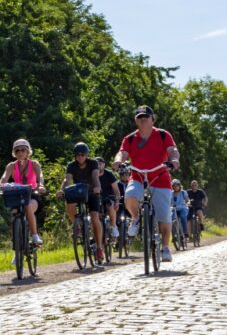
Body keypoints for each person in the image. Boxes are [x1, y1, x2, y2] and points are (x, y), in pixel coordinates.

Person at [112, 106, 181, 262]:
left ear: (152, 119)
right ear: (136, 120)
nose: (143, 119)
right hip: (137, 176)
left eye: (146, 117)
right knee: (129, 195)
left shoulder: (163, 135)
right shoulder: (130, 139)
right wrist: (118, 161)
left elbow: (173, 150)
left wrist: (174, 159)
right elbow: (122, 152)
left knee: (164, 216)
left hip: (160, 178)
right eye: (140, 117)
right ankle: (136, 218)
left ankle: (164, 248)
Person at [0, 138, 47, 245]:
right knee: (13, 216)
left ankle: (35, 235)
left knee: (28, 206)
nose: (20, 152)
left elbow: (40, 176)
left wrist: (41, 185)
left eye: (23, 150)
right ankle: (17, 248)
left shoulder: (34, 164)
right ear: (14, 153)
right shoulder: (11, 166)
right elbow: (4, 178)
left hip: (32, 195)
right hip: (18, 196)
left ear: (28, 151)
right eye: (17, 150)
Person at [58, 142, 104, 264]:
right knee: (69, 203)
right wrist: (62, 190)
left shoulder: (93, 163)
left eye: (82, 154)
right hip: (79, 192)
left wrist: (97, 187)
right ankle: (76, 225)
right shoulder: (71, 165)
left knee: (94, 218)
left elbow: (95, 177)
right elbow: (67, 179)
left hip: (92, 192)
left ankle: (99, 247)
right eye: (77, 155)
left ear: (86, 155)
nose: (80, 157)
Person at [96, 157, 121, 239]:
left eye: (101, 163)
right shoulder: (91, 174)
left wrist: (117, 201)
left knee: (111, 207)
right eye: (97, 163)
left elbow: (116, 190)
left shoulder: (109, 174)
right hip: (96, 197)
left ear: (104, 165)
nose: (99, 165)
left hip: (108, 197)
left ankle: (113, 226)